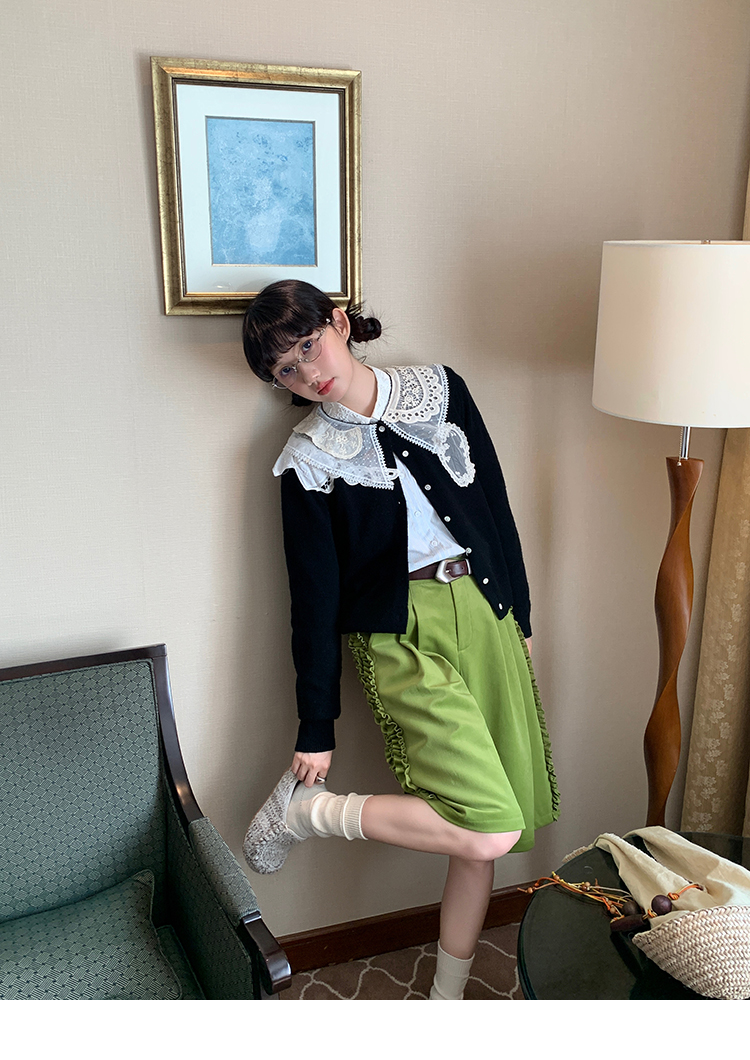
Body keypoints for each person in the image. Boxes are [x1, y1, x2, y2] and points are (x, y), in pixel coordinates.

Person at [241, 280, 559, 1000]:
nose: (306, 372)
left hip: (484, 606)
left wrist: (521, 617)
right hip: (398, 635)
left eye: (308, 345)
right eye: (285, 368)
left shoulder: (439, 391)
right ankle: (308, 812)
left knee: (481, 835)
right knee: (491, 827)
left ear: (339, 323)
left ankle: (445, 1001)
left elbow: (496, 506)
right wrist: (315, 727)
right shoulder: (307, 459)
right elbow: (312, 602)